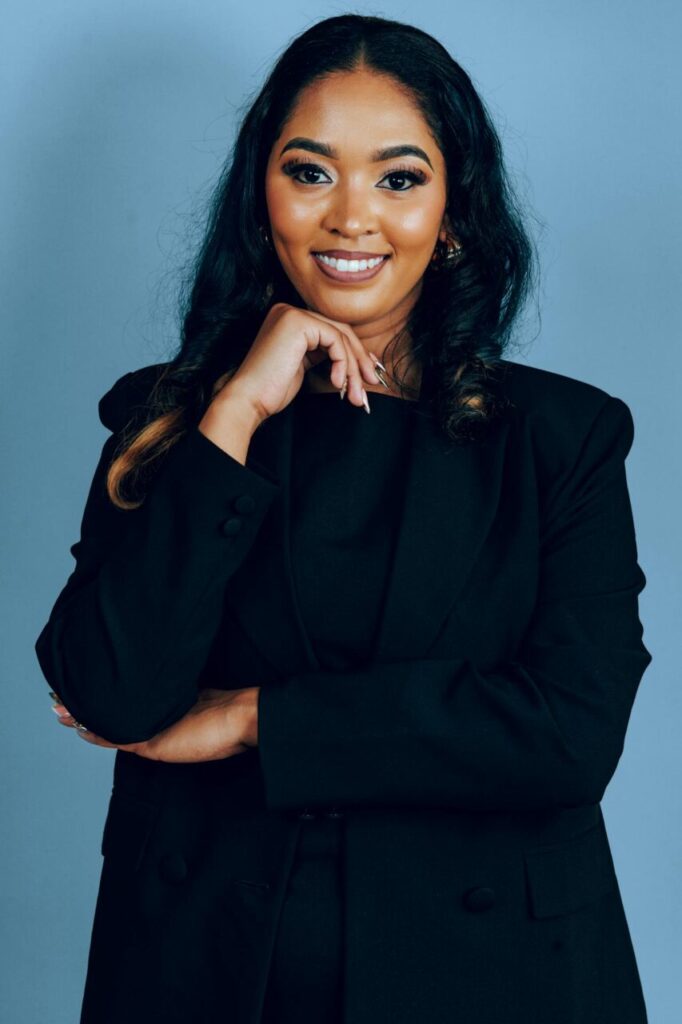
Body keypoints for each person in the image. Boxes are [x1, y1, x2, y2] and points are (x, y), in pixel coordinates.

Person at [34, 13, 652, 1024]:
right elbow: (111, 692)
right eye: (310, 172)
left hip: (491, 980)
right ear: (261, 197)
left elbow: (568, 730)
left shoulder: (561, 439)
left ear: (452, 210)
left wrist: (253, 720)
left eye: (398, 178)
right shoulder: (173, 418)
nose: (349, 217)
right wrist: (232, 408)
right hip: (206, 974)